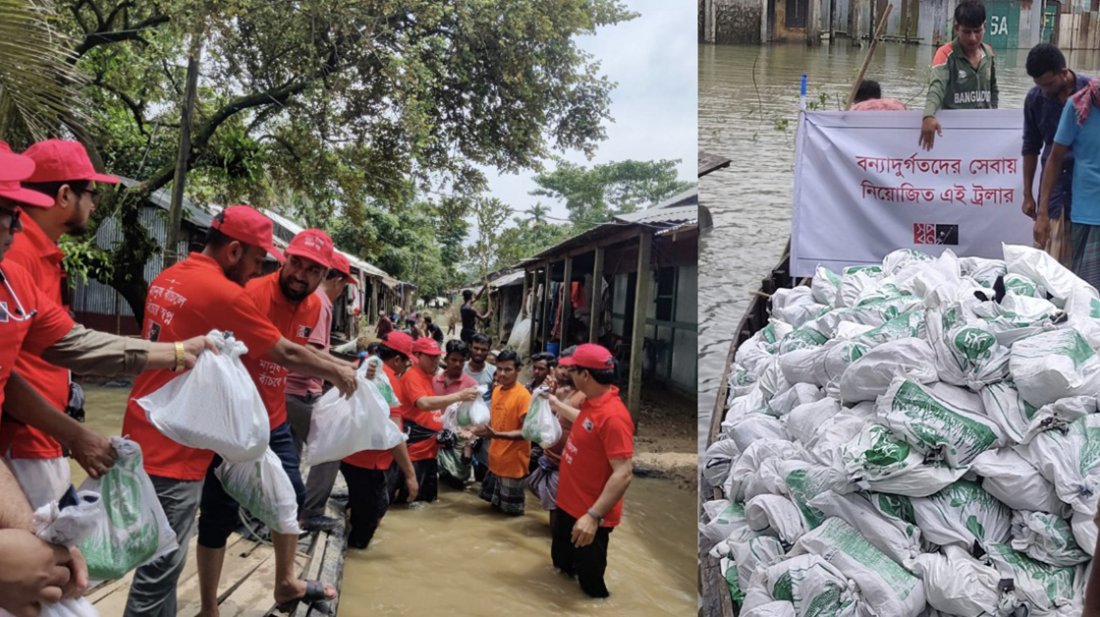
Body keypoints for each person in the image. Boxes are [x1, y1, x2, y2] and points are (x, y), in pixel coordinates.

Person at [120, 208, 358, 617]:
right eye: (258, 260)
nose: (257, 268)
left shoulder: (169, 277)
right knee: (175, 552)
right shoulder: (235, 294)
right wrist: (338, 371)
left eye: (312, 268)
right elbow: (282, 351)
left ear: (324, 276)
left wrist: (334, 365)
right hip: (197, 434)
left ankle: (285, 583)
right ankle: (210, 608)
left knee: (167, 555)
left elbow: (298, 352)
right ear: (234, 251)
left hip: (204, 424)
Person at [1, 138, 125, 510]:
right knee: (50, 560)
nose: (95, 204)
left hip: (44, 439)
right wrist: (73, 434)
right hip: (26, 443)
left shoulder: (41, 256)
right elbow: (14, 372)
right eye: (92, 193)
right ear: (65, 195)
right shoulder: (17, 259)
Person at [551, 343, 634, 599]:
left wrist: (592, 516)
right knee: (561, 568)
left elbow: (624, 473)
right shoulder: (593, 402)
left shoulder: (614, 416)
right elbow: (587, 424)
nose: (568, 375)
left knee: (591, 589)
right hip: (567, 507)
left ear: (585, 375)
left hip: (587, 516)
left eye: (572, 370)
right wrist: (555, 403)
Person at [287, 252, 356, 533]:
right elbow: (312, 353)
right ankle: (311, 512)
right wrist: (338, 373)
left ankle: (286, 509)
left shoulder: (309, 302)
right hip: (300, 390)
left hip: (284, 389)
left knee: (289, 455)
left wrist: (343, 366)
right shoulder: (322, 304)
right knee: (332, 445)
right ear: (338, 282)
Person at [341, 332, 419, 550]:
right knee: (373, 511)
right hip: (368, 461)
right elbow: (394, 433)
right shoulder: (388, 382)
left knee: (364, 506)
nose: (407, 367)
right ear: (397, 360)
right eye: (407, 362)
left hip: (347, 452)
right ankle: (356, 550)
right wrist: (410, 475)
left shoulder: (361, 364)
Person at [1022, 43, 1092, 267]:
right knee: (1048, 265)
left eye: (1049, 84)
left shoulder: (1092, 93)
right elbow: (1031, 148)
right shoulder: (1035, 99)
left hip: (1087, 192)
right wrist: (1027, 194)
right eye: (1039, 84)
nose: (1044, 90)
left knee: (1085, 266)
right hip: (1053, 193)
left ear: (1064, 73)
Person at [390, 337, 478, 503]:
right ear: (416, 356)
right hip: (415, 452)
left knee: (427, 501)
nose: (435, 360)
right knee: (412, 500)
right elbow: (423, 403)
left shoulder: (427, 377)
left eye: (437, 356)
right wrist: (459, 396)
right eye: (430, 356)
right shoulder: (413, 376)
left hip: (430, 449)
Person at [1036, 78, 1100, 290]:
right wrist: (1042, 212)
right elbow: (1055, 159)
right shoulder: (1078, 106)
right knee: (1088, 293)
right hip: (1087, 214)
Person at [919, 0, 998, 150]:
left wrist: (993, 116)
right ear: (957, 28)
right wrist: (928, 115)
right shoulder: (945, 54)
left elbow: (993, 88)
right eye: (967, 32)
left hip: (983, 130)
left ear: (984, 26)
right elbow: (937, 87)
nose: (973, 37)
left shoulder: (988, 53)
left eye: (977, 31)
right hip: (954, 130)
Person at [526, 347, 585, 520]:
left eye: (570, 369)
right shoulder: (560, 392)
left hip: (568, 464)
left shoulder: (584, 396)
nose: (565, 372)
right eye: (562, 367)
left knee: (559, 518)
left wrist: (555, 403)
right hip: (550, 458)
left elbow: (589, 421)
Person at [473, 350, 532, 516]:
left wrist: (497, 435)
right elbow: (495, 422)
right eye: (499, 369)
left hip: (513, 465)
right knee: (493, 511)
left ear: (518, 370)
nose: (502, 374)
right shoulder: (497, 390)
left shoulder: (523, 396)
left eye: (507, 370)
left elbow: (527, 433)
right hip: (494, 461)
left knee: (510, 515)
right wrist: (474, 430)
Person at [433, 340, 480, 488]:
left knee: (457, 480)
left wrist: (469, 440)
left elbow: (476, 417)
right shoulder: (433, 380)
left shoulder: (471, 385)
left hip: (459, 439)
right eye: (454, 360)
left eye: (461, 360)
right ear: (446, 359)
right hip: (434, 436)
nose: (458, 364)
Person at [464, 333, 497, 481]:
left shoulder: (494, 372)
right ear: (470, 347)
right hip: (463, 425)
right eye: (476, 348)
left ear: (488, 350)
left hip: (485, 428)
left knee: (483, 469)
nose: (479, 352)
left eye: (483, 349)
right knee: (460, 469)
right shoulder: (461, 369)